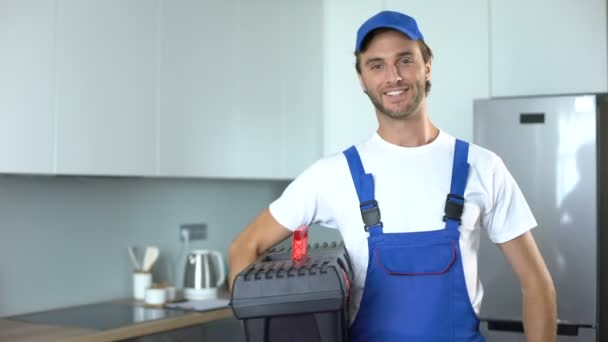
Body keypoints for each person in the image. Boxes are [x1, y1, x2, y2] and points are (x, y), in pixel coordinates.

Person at [228, 10, 557, 341]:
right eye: (376, 65)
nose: (393, 76)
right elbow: (246, 246)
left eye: (405, 60)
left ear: (427, 65)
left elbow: (537, 284)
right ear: (362, 79)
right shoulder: (332, 175)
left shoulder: (482, 167)